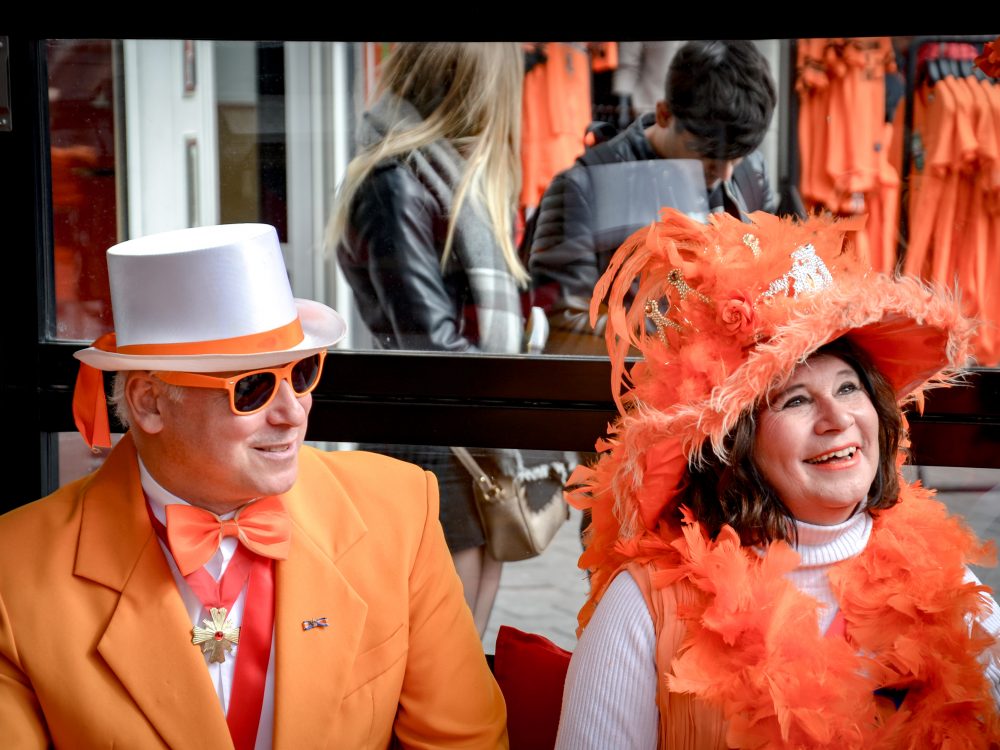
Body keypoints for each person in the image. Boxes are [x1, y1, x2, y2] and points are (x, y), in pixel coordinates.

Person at [0, 224, 508, 748]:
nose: (293, 413)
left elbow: (463, 740)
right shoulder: (11, 573)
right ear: (150, 402)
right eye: (252, 388)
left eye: (302, 373)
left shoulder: (398, 513)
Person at [554, 208, 1000, 748]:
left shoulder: (946, 587)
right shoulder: (647, 606)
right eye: (795, 400)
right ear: (737, 444)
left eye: (848, 388)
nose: (836, 419)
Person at [331, 42, 528, 636]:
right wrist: (513, 392)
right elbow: (431, 345)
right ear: (467, 92)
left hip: (463, 430)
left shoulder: (441, 174)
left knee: (465, 627)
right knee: (443, 640)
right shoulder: (395, 182)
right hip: (431, 440)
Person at [528, 40, 778, 354]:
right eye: (708, 156)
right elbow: (564, 329)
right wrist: (690, 338)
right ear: (663, 114)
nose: (725, 174)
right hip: (631, 381)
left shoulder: (751, 172)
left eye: (736, 157)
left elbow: (774, 274)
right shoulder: (584, 187)